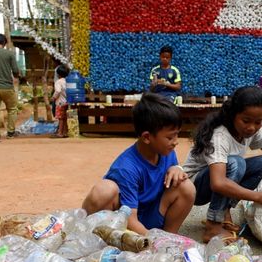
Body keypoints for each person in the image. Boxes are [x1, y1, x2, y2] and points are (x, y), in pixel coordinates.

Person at [183, 86, 262, 242]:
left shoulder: (253, 129)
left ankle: (224, 210)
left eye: (258, 122)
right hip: (193, 187)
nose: (251, 127)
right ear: (233, 115)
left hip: (218, 176)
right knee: (235, 164)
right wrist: (259, 196)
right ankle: (213, 224)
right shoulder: (219, 135)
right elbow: (218, 183)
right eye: (245, 121)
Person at [82, 93, 195, 235]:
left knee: (186, 187)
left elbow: (175, 176)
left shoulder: (166, 151)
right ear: (147, 137)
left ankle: (169, 236)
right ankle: (94, 235)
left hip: (151, 215)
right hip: (125, 223)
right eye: (170, 137)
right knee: (103, 190)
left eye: (177, 134)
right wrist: (152, 241)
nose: (176, 141)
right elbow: (130, 219)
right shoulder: (126, 168)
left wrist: (177, 168)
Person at [50, 65, 69, 138]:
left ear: (58, 74)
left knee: (60, 118)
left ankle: (60, 133)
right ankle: (65, 132)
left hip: (60, 103)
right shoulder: (67, 81)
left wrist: (53, 97)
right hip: (66, 102)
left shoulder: (58, 82)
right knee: (64, 118)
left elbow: (58, 90)